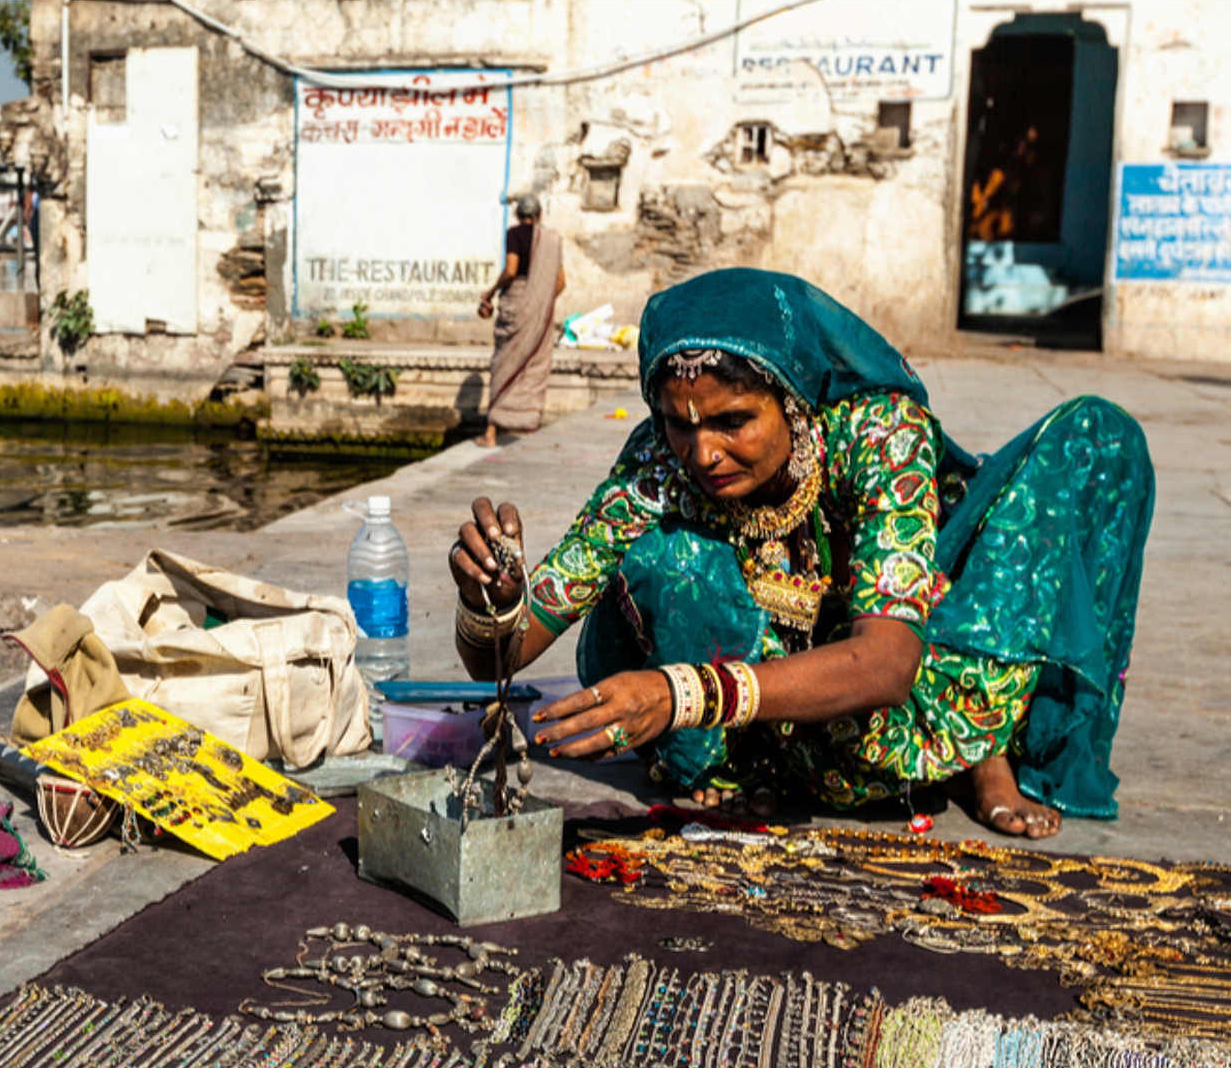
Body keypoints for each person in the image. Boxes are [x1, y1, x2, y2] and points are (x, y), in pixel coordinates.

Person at [448, 268, 1154, 840]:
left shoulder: (881, 435)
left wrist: (683, 692)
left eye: (734, 421)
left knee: (1092, 442)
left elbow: (888, 661)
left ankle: (981, 755)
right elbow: (502, 657)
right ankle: (748, 764)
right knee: (673, 563)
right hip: (750, 713)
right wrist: (491, 600)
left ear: (792, 403)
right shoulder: (657, 464)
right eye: (678, 424)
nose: (704, 452)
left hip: (873, 675)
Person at [476, 194, 567, 448]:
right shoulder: (550, 241)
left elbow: (511, 269)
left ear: (518, 214)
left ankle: (491, 433)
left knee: (504, 363)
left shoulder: (515, 234)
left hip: (515, 304)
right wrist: (539, 302)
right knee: (534, 367)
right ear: (538, 215)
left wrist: (492, 290)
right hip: (539, 310)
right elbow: (560, 283)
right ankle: (529, 430)